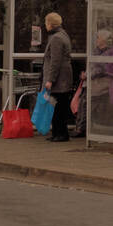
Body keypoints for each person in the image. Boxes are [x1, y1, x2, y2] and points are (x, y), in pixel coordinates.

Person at [41, 12, 73, 142]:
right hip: (63, 78)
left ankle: (60, 134)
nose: (45, 25)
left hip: (59, 80)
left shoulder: (56, 38)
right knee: (59, 106)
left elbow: (55, 61)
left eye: (46, 22)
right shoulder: (63, 35)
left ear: (50, 23)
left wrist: (50, 80)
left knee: (57, 107)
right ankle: (57, 133)